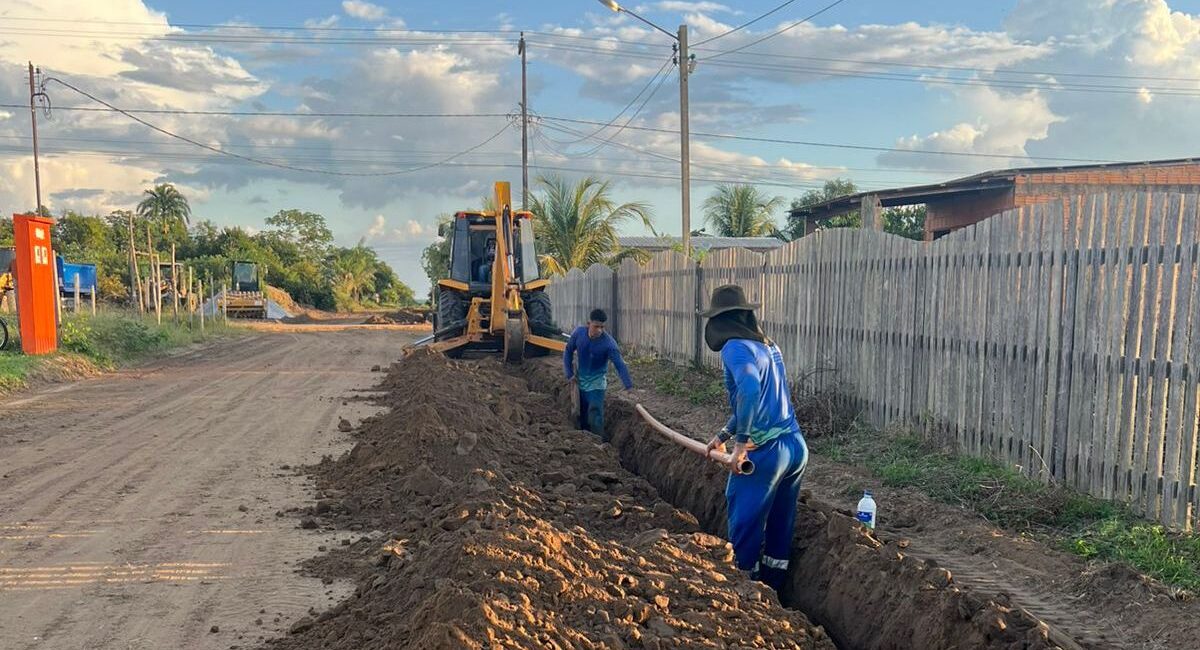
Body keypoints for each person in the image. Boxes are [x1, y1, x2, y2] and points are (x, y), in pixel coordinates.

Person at [701, 284, 808, 592]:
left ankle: (745, 594)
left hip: (764, 454)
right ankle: (773, 592)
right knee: (779, 524)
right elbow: (758, 399)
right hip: (795, 447)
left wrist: (738, 446)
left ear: (720, 321)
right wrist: (722, 434)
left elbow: (748, 390)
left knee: (745, 525)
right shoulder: (768, 346)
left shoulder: (735, 347)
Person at [563, 308, 633, 440]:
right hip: (580, 382)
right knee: (581, 415)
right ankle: (583, 442)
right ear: (588, 323)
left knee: (594, 413)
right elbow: (568, 351)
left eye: (602, 327)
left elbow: (620, 364)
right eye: (596, 326)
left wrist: (628, 384)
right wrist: (569, 373)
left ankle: (598, 443)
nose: (599, 330)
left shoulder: (608, 344)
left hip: (597, 384)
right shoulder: (579, 334)